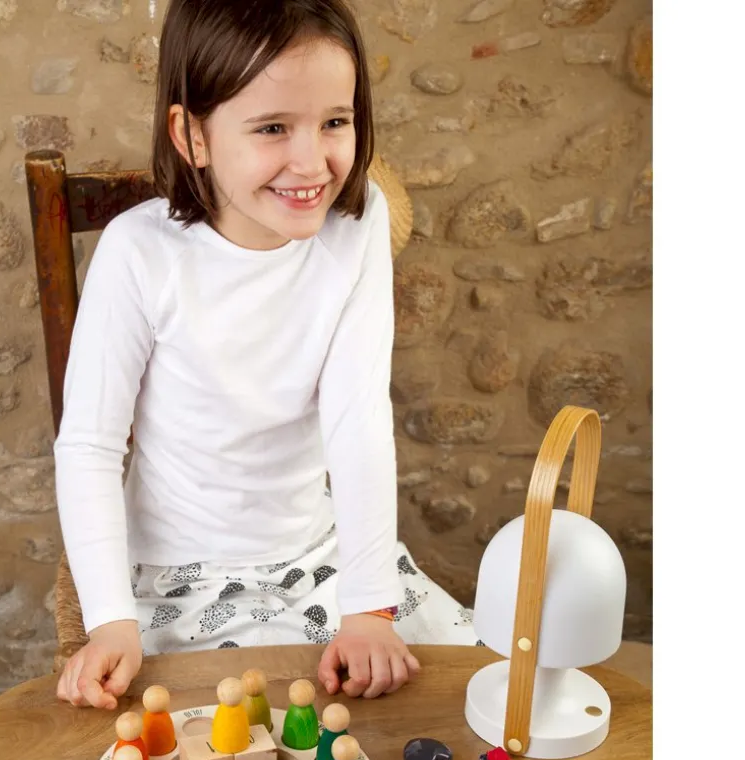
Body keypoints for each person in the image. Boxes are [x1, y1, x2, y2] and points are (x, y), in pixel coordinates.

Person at [54, 0, 478, 713]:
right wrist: (109, 620)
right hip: (177, 579)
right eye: (273, 128)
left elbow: (357, 420)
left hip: (320, 558)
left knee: (466, 696)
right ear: (192, 135)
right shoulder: (138, 253)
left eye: (335, 121)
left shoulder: (358, 225)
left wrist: (369, 608)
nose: (311, 163)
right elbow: (90, 444)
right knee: (229, 741)